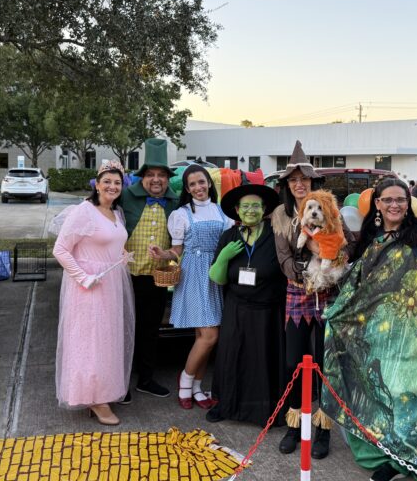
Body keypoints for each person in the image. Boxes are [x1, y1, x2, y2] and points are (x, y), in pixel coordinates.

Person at [321, 178, 417, 481]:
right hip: (377, 336)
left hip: (414, 334)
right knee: (383, 396)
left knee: (413, 395)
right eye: (388, 200)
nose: (395, 205)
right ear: (377, 204)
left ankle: (409, 462)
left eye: (401, 200)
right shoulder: (371, 239)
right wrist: (337, 314)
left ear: (408, 204)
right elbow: (358, 286)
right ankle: (388, 458)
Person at [270, 141, 348, 459]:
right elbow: (283, 258)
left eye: (304, 179)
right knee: (294, 362)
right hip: (298, 291)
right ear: (288, 185)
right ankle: (295, 424)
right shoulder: (280, 215)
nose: (299, 184)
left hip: (329, 292)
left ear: (313, 182)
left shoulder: (330, 209)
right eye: (293, 180)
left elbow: (345, 246)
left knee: (325, 364)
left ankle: (323, 429)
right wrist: (305, 273)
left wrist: (327, 253)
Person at [53, 161, 134, 425]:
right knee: (90, 341)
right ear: (97, 185)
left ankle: (101, 391)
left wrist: (122, 254)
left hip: (110, 284)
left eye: (117, 182)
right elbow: (61, 250)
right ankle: (93, 397)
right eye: (107, 181)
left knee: (106, 340)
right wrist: (83, 277)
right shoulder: (84, 211)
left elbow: (109, 243)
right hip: (89, 287)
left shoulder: (115, 213)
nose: (112, 186)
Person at [149, 165, 233, 409]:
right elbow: (177, 250)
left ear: (209, 183)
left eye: (201, 182)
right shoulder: (182, 214)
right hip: (194, 274)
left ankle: (196, 388)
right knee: (210, 336)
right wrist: (163, 253)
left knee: (202, 337)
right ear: (187, 189)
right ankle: (185, 382)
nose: (198, 187)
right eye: (192, 184)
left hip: (217, 274)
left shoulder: (222, 211)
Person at [205, 183, 287, 426]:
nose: (250, 210)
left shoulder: (276, 234)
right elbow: (217, 278)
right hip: (236, 309)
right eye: (245, 206)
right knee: (232, 357)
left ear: (264, 209)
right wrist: (224, 257)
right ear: (237, 210)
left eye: (255, 206)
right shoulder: (229, 236)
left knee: (263, 361)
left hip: (268, 311)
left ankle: (264, 411)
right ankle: (227, 405)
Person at [120, 138, 179, 400]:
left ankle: (145, 379)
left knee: (150, 330)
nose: (156, 180)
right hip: (126, 276)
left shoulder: (175, 203)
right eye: (151, 174)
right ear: (142, 177)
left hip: (156, 278)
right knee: (123, 329)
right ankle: (119, 383)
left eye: (161, 175)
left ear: (167, 179)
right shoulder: (125, 196)